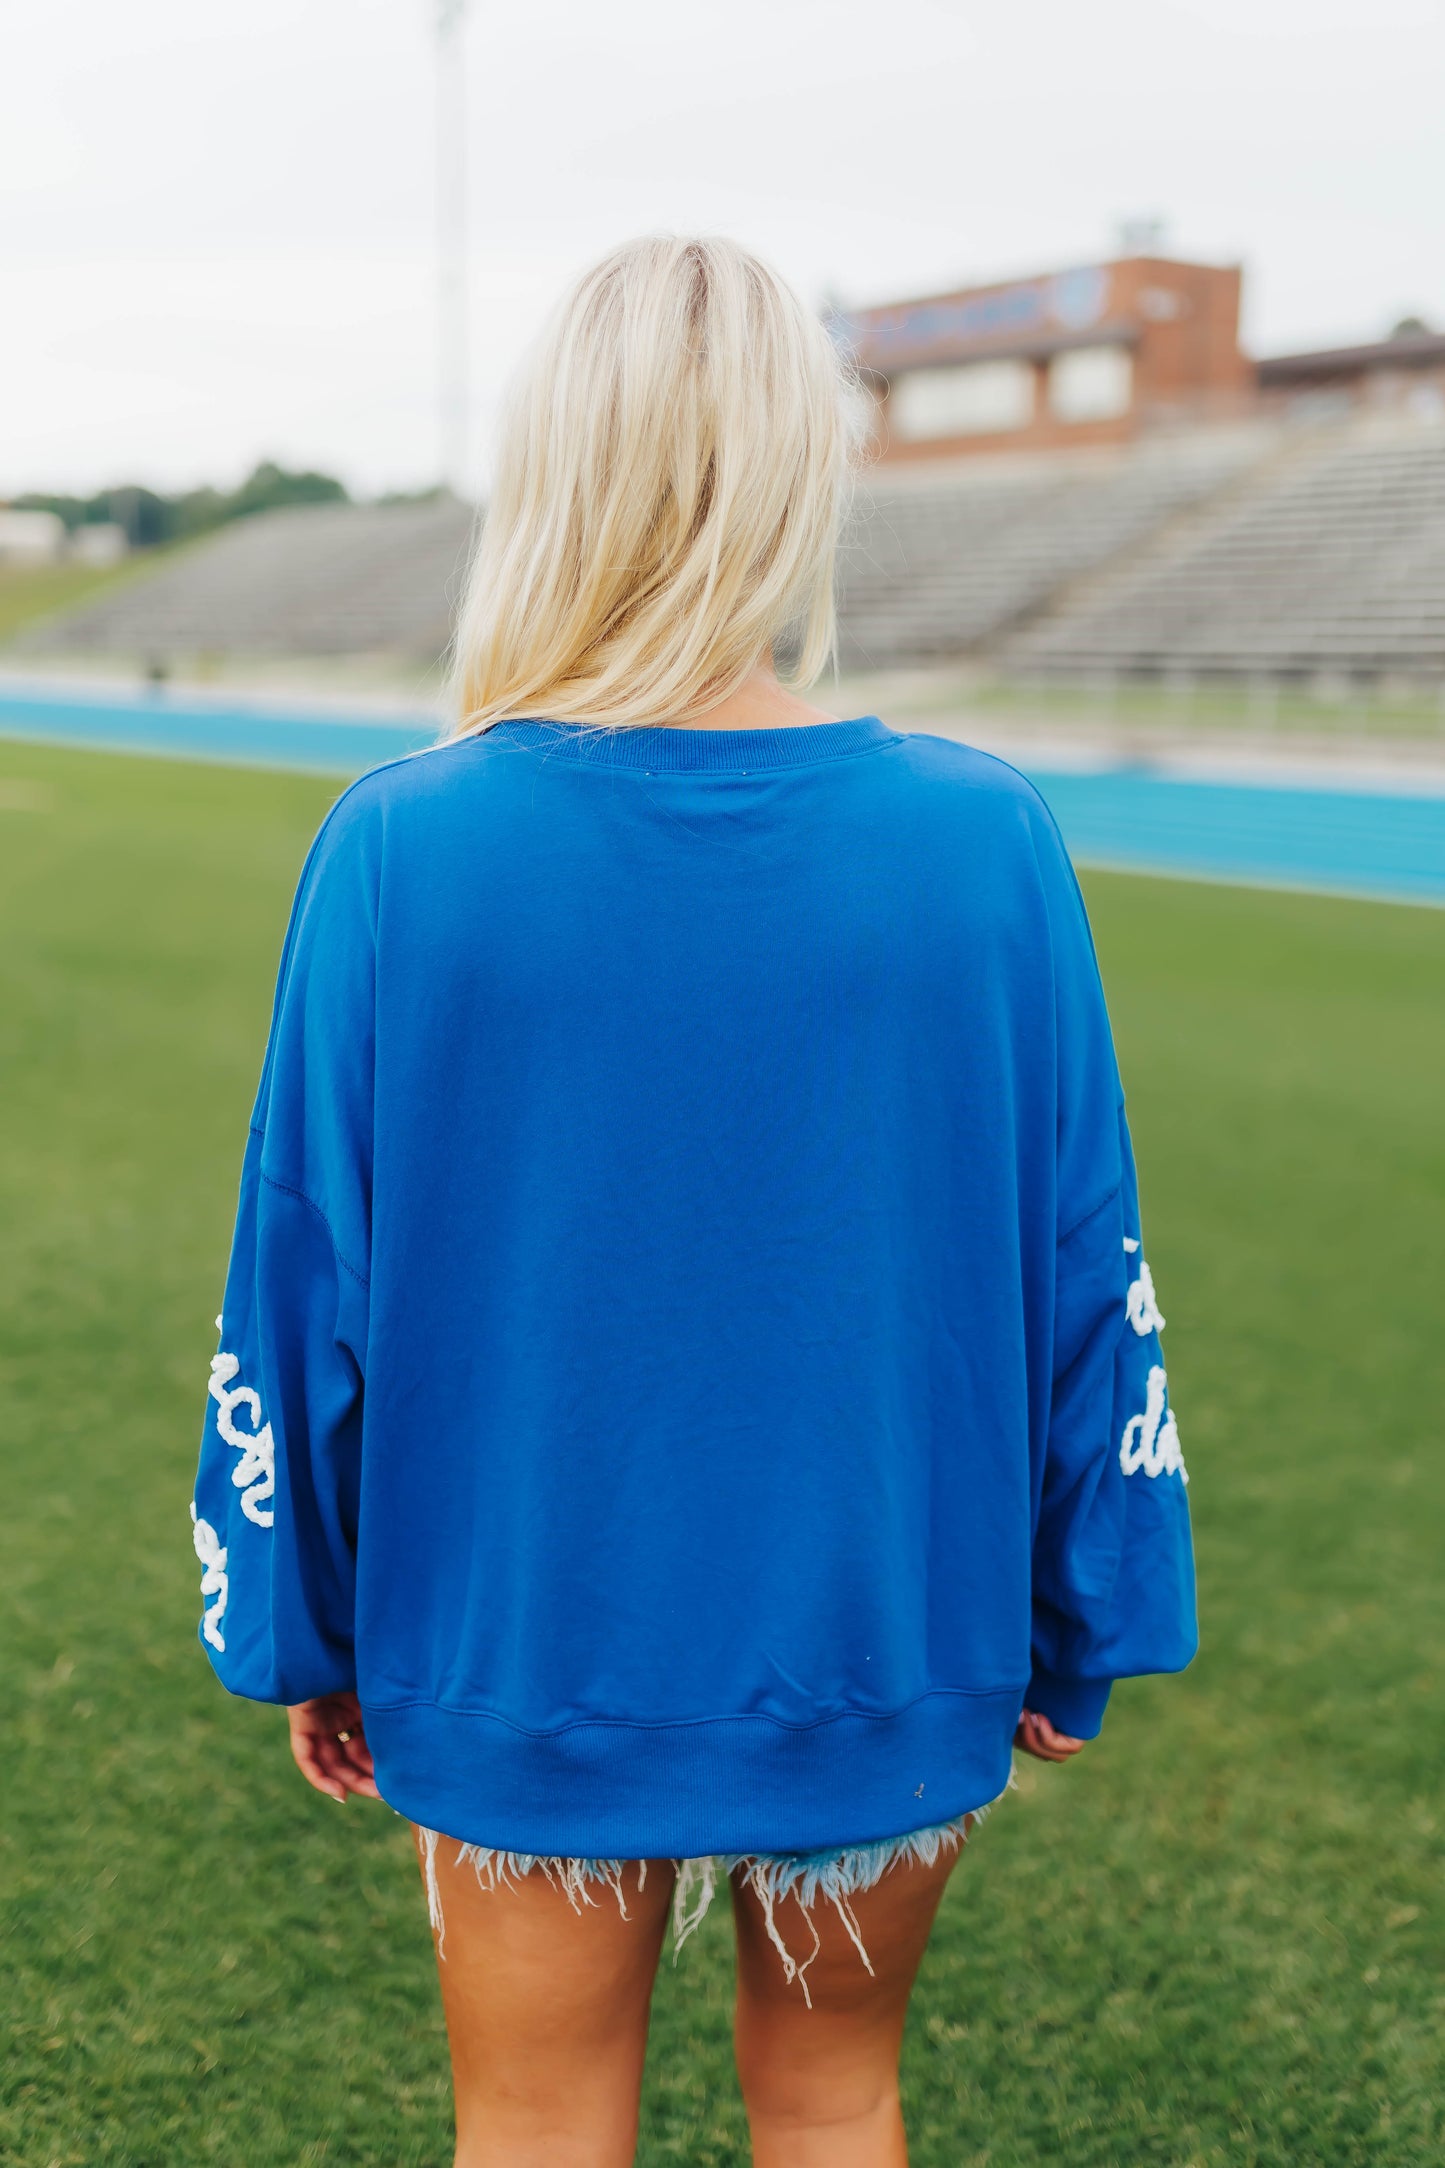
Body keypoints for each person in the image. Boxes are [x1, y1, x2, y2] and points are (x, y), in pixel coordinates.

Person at [189, 235, 1197, 2167]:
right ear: (800, 476)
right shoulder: (986, 841)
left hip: (517, 1618)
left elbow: (303, 1269)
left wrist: (305, 1623)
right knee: (836, 2100)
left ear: (551, 472)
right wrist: (1079, 1605)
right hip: (888, 1609)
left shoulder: (405, 845)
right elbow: (1083, 1265)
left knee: (538, 2120)